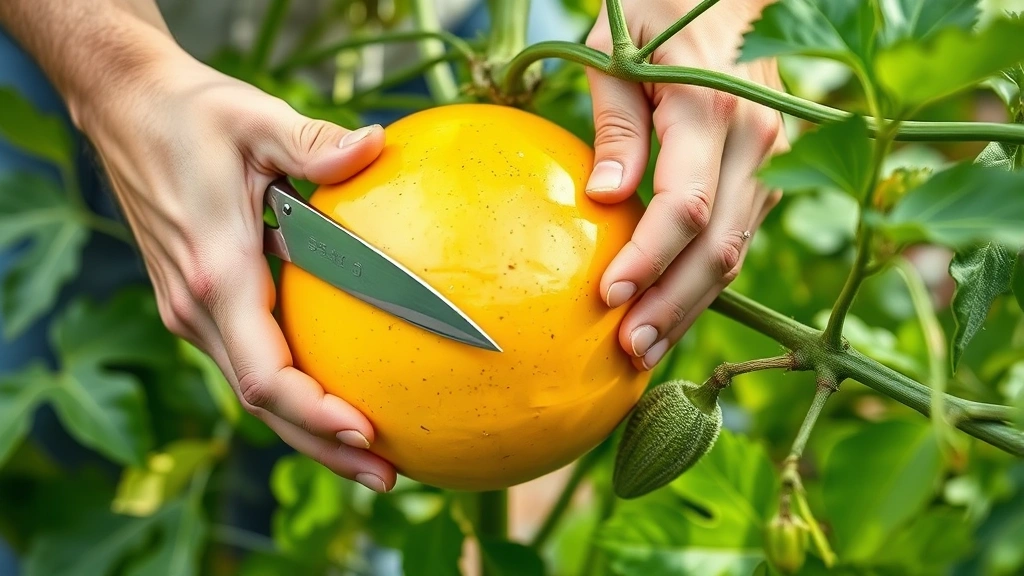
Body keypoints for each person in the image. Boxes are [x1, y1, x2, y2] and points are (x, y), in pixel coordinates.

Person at [0, 0, 785, 498]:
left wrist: (717, 14)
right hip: (97, 46)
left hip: (452, 38)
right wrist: (114, 74)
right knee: (55, 462)